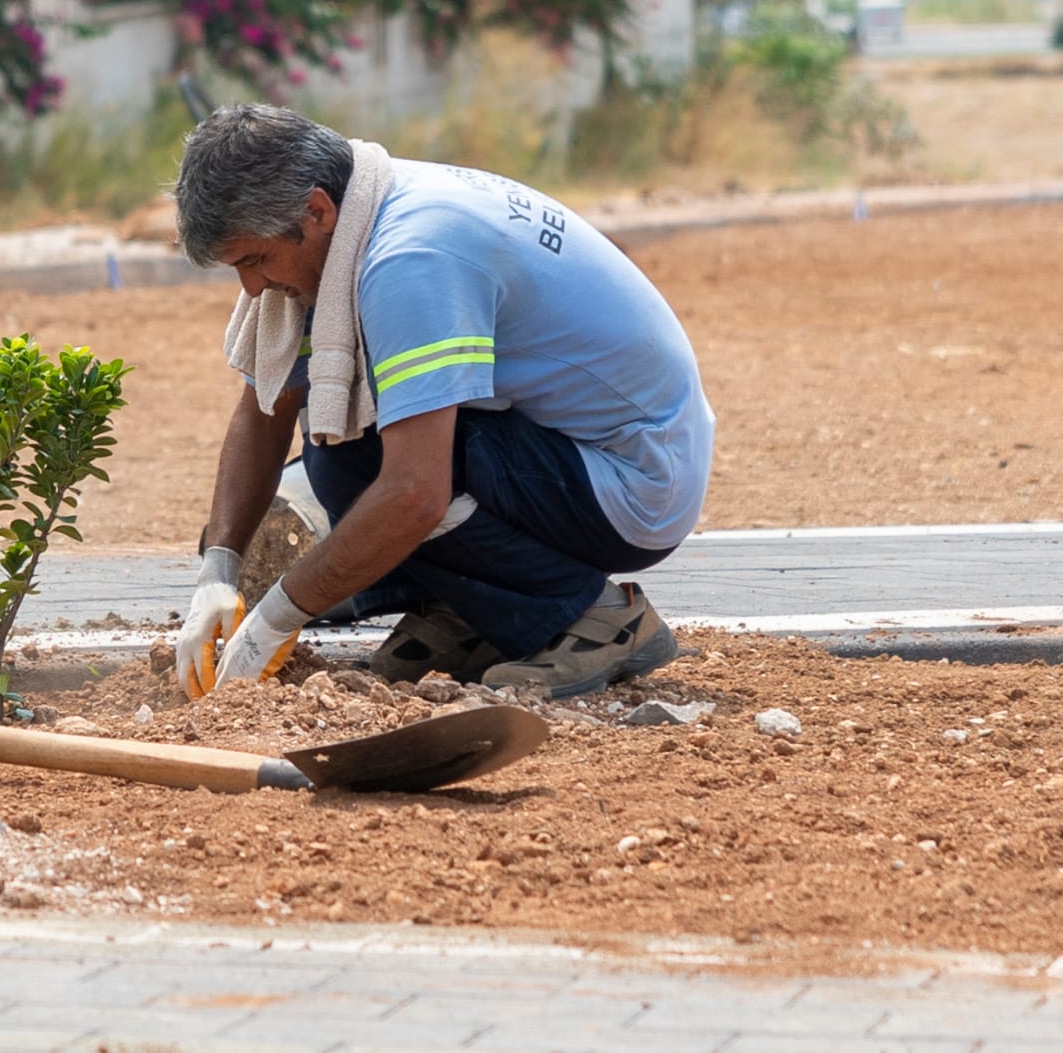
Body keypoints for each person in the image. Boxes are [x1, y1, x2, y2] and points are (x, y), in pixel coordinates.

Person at [170, 104, 713, 700]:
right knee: (347, 441)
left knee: (357, 457)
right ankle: (476, 612)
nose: (252, 288)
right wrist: (218, 567)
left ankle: (593, 620)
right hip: (576, 450)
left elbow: (415, 493)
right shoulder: (355, 210)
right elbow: (266, 407)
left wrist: (275, 617)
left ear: (316, 211)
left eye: (255, 260)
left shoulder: (409, 258)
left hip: (637, 483)